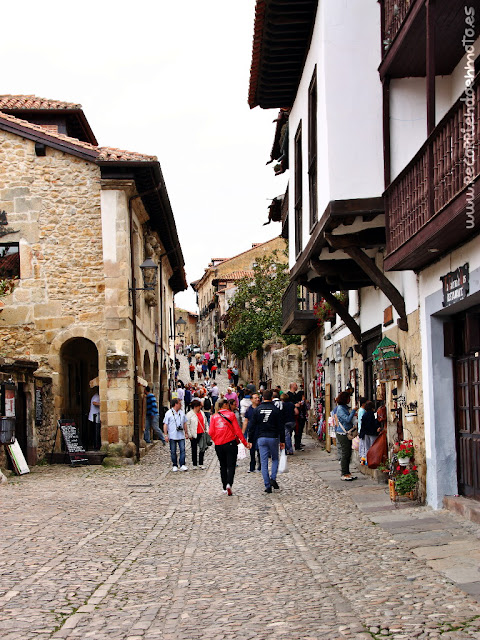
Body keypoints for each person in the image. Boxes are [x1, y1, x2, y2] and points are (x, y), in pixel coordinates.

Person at [209, 399, 251, 495]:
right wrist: (245, 443)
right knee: (231, 465)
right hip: (230, 443)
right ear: (225, 405)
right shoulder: (231, 415)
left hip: (219, 445)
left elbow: (211, 432)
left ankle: (224, 487)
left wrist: (216, 440)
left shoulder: (214, 417)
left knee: (222, 466)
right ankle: (229, 484)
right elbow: (237, 430)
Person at [250, 389, 285, 493]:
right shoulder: (276, 410)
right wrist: (282, 440)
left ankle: (267, 485)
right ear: (272, 398)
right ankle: (273, 478)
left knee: (263, 462)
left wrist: (250, 440)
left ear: (262, 398)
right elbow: (281, 426)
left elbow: (252, 426)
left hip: (261, 437)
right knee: (275, 459)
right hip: (273, 437)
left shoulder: (257, 410)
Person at [335, 391, 358, 481]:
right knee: (345, 453)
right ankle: (344, 473)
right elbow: (347, 420)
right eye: (348, 398)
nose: (349, 400)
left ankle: (347, 472)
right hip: (343, 433)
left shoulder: (344, 407)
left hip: (346, 432)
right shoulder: (340, 409)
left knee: (348, 453)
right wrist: (353, 411)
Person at [163, 398, 187, 472]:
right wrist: (166, 435)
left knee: (182, 450)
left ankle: (182, 464)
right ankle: (175, 465)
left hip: (181, 435)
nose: (181, 405)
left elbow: (185, 423)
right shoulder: (169, 413)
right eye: (180, 403)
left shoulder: (182, 413)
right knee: (173, 451)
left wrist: (186, 432)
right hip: (172, 435)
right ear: (176, 404)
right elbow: (165, 424)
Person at [186, 399, 208, 469]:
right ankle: (194, 464)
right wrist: (189, 434)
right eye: (199, 406)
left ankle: (201, 463)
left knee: (202, 448)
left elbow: (205, 422)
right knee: (194, 449)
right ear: (195, 406)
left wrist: (207, 430)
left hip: (202, 433)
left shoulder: (202, 413)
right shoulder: (189, 414)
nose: (200, 408)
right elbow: (187, 425)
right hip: (194, 434)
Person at [243, 392, 261, 473]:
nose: (257, 399)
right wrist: (243, 432)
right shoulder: (249, 409)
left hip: (260, 432)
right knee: (252, 449)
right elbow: (246, 421)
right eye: (255, 398)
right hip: (252, 432)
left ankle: (260, 466)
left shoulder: (261, 408)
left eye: (258, 398)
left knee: (260, 450)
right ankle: (252, 466)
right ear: (251, 400)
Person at [356, 397, 368, 464]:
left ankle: (362, 458)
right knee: (364, 445)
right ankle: (363, 459)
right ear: (363, 404)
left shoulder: (360, 410)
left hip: (360, 429)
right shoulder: (362, 411)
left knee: (362, 445)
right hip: (362, 429)